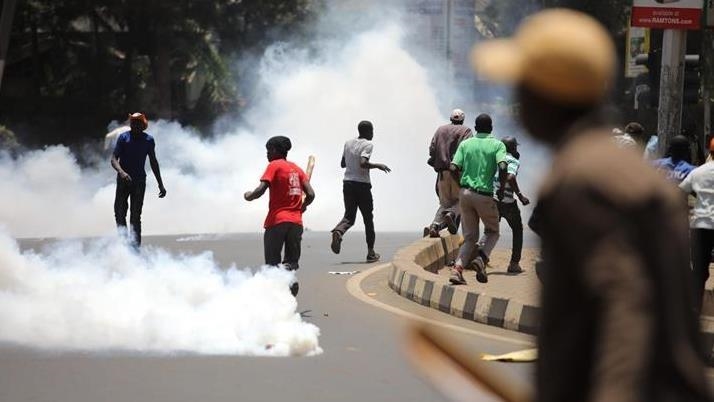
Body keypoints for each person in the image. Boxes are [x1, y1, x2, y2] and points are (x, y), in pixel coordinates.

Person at [472, 8, 711, 402]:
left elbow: (627, 310)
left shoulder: (582, 179)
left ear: (544, 97)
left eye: (523, 87)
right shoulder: (624, 168)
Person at [244, 136, 315, 297]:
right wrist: (302, 207)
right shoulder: (297, 169)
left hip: (277, 222)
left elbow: (260, 190)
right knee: (291, 262)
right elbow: (310, 194)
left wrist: (248, 196)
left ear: (275, 150)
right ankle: (288, 282)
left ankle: (279, 293)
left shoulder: (274, 165)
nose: (267, 154)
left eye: (268, 151)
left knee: (272, 265)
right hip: (296, 223)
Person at [448, 114, 507, 285]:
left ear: (475, 127)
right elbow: (503, 166)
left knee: (470, 238)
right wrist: (501, 188)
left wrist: (460, 185)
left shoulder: (466, 144)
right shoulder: (497, 145)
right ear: (491, 128)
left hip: (465, 194)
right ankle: (481, 258)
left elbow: (453, 166)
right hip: (484, 194)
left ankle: (457, 270)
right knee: (493, 231)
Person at [330, 120, 390, 263]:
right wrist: (378, 166)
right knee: (368, 220)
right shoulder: (368, 145)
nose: (373, 133)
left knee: (349, 216)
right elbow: (363, 163)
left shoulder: (348, 143)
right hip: (362, 185)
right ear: (368, 131)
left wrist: (352, 160)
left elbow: (342, 164)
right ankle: (371, 253)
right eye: (372, 131)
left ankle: (338, 231)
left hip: (348, 183)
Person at [111, 113, 166, 247]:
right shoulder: (124, 138)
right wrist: (122, 172)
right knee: (119, 213)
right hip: (123, 181)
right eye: (133, 122)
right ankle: (123, 244)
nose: (134, 125)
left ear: (143, 125)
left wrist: (161, 185)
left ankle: (135, 247)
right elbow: (113, 159)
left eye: (137, 122)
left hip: (139, 182)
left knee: (135, 216)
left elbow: (153, 162)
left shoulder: (148, 140)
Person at [425, 108, 472, 237]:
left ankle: (435, 225)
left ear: (451, 118)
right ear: (462, 120)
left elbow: (432, 149)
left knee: (444, 203)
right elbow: (467, 152)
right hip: (458, 172)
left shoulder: (440, 130)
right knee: (461, 201)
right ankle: (451, 214)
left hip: (442, 173)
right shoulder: (466, 131)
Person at [679, 140, 714, 315]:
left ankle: (695, 309)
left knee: (699, 270)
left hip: (701, 225)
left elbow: (680, 191)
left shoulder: (698, 172)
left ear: (710, 152)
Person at [493, 136, 530, 273]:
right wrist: (520, 196)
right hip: (507, 202)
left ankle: (481, 258)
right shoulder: (513, 160)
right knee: (517, 230)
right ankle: (514, 264)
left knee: (490, 231)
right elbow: (510, 177)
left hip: (492, 199)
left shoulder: (495, 158)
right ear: (513, 148)